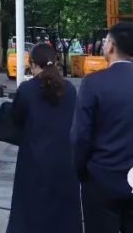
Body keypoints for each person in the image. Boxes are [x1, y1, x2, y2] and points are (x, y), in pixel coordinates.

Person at [71, 22, 133, 233]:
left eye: (106, 41)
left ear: (111, 46)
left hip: (101, 178)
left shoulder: (93, 83)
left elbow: (80, 136)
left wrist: (81, 171)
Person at [6, 42, 80, 233]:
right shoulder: (70, 90)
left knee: (30, 214)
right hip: (65, 161)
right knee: (63, 216)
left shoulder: (27, 89)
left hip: (34, 160)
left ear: (33, 64)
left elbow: (16, 118)